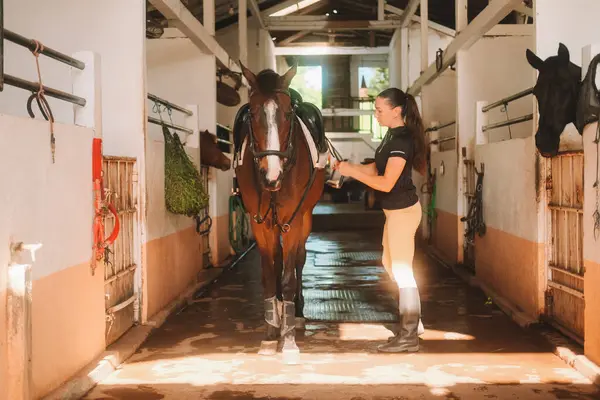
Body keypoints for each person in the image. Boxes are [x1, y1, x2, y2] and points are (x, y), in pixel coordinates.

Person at [333, 87, 426, 353]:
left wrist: (353, 171)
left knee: (402, 270)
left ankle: (409, 334)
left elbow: (385, 183)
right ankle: (414, 323)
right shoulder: (391, 136)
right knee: (390, 264)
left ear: (396, 111)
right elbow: (376, 168)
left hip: (403, 212)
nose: (375, 114)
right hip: (394, 212)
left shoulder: (403, 140)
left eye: (379, 110)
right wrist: (347, 169)